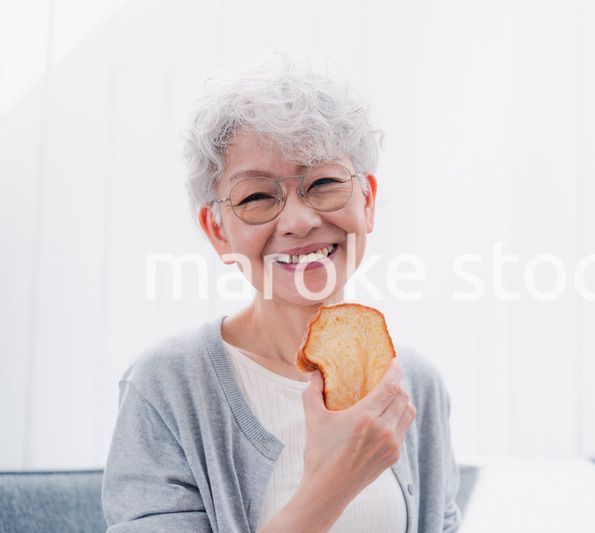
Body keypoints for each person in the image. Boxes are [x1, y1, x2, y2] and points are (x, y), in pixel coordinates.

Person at [101, 58, 462, 533]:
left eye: (324, 184)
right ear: (218, 231)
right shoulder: (166, 387)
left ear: (367, 202)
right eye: (256, 197)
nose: (297, 221)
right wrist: (330, 486)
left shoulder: (414, 383)